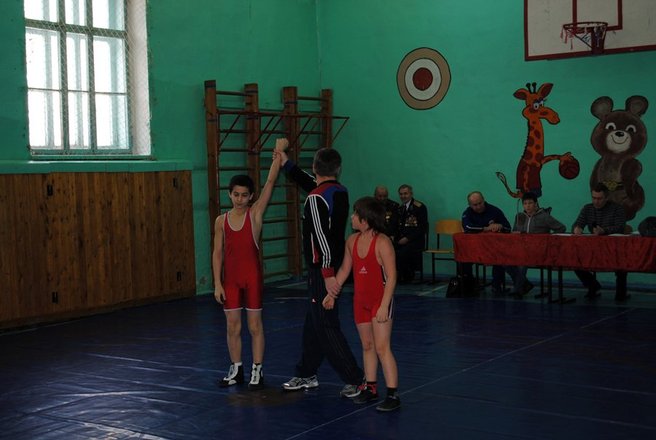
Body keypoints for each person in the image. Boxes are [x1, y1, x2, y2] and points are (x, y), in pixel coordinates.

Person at [278, 146, 364, 398]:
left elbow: (321, 238)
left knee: (325, 325)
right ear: (338, 169)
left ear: (315, 167)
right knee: (313, 323)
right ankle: (307, 372)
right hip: (332, 265)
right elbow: (314, 185)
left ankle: (356, 379)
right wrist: (287, 164)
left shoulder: (316, 198)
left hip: (322, 269)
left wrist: (327, 275)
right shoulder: (338, 191)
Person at [212, 138, 284, 390]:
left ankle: (257, 369)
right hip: (231, 280)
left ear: (251, 196)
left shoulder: (255, 214)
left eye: (244, 195)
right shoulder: (221, 221)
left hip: (251, 278)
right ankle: (236, 368)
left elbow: (270, 183)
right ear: (229, 194)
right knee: (233, 326)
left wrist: (278, 155)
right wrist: (217, 283)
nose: (240, 199)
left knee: (254, 326)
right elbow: (217, 253)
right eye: (236, 195)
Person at [325, 196, 401, 412]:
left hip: (380, 301)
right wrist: (332, 293)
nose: (352, 217)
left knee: (382, 347)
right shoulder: (352, 240)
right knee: (367, 346)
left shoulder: (383, 242)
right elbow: (344, 270)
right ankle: (371, 387)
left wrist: (384, 305)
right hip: (360, 301)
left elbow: (392, 276)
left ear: (365, 220)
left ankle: (393, 394)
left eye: (355, 214)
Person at [572, 183, 628, 301]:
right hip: (593, 248)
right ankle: (593, 285)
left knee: (622, 261)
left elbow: (620, 227)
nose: (596, 201)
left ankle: (621, 293)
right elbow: (578, 223)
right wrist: (577, 228)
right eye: (594, 198)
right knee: (574, 259)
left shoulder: (617, 209)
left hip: (613, 247)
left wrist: (604, 231)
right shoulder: (587, 208)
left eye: (599, 198)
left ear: (606, 198)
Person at [511, 192, 566, 298]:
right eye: (525, 203)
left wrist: (549, 240)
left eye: (530, 203)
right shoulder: (519, 216)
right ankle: (525, 284)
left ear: (536, 204)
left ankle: (518, 289)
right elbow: (514, 232)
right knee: (504, 262)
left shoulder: (544, 217)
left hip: (539, 251)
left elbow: (561, 228)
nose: (527, 206)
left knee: (522, 262)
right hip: (522, 249)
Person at [461, 191, 517, 294]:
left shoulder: (495, 211)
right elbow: (467, 227)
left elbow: (508, 228)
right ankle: (469, 285)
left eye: (480, 203)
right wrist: (486, 228)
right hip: (475, 249)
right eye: (475, 205)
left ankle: (496, 286)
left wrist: (500, 226)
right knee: (462, 257)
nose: (478, 206)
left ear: (483, 200)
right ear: (470, 205)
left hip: (493, 249)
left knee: (500, 256)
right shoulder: (467, 213)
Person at [395, 184, 428, 283]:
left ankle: (405, 275)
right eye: (401, 194)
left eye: (405, 193)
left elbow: (422, 228)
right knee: (388, 248)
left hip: (415, 240)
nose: (403, 196)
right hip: (401, 239)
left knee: (402, 252)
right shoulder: (400, 208)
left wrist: (408, 238)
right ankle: (393, 275)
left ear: (411, 194)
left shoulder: (420, 207)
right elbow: (396, 226)